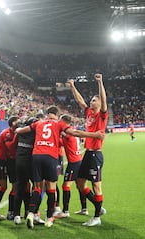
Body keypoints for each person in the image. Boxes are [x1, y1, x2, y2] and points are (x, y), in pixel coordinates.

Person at [15, 106, 104, 228]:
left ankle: (31, 213)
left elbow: (19, 131)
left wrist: (17, 128)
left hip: (36, 156)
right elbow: (75, 132)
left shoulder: (38, 123)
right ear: (56, 116)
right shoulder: (59, 124)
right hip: (51, 157)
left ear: (47, 114)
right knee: (52, 188)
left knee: (37, 188)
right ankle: (49, 218)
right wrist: (94, 135)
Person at [68, 73, 108, 227]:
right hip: (88, 154)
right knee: (79, 183)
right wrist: (72, 86)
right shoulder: (89, 113)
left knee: (96, 186)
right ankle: (99, 207)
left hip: (96, 155)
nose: (91, 102)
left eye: (94, 100)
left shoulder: (102, 115)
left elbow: (104, 100)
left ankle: (96, 217)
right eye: (91, 100)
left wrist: (100, 82)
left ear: (99, 103)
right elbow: (79, 101)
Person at [53, 114, 87, 219]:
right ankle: (84, 209)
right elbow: (62, 143)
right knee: (80, 186)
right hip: (79, 160)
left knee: (65, 186)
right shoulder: (72, 130)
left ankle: (66, 211)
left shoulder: (67, 133)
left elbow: (60, 134)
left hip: (74, 163)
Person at [13, 115, 45, 225]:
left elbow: (17, 129)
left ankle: (16, 215)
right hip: (31, 163)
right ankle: (34, 213)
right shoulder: (36, 133)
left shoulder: (20, 132)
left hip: (19, 161)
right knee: (38, 188)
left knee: (20, 188)